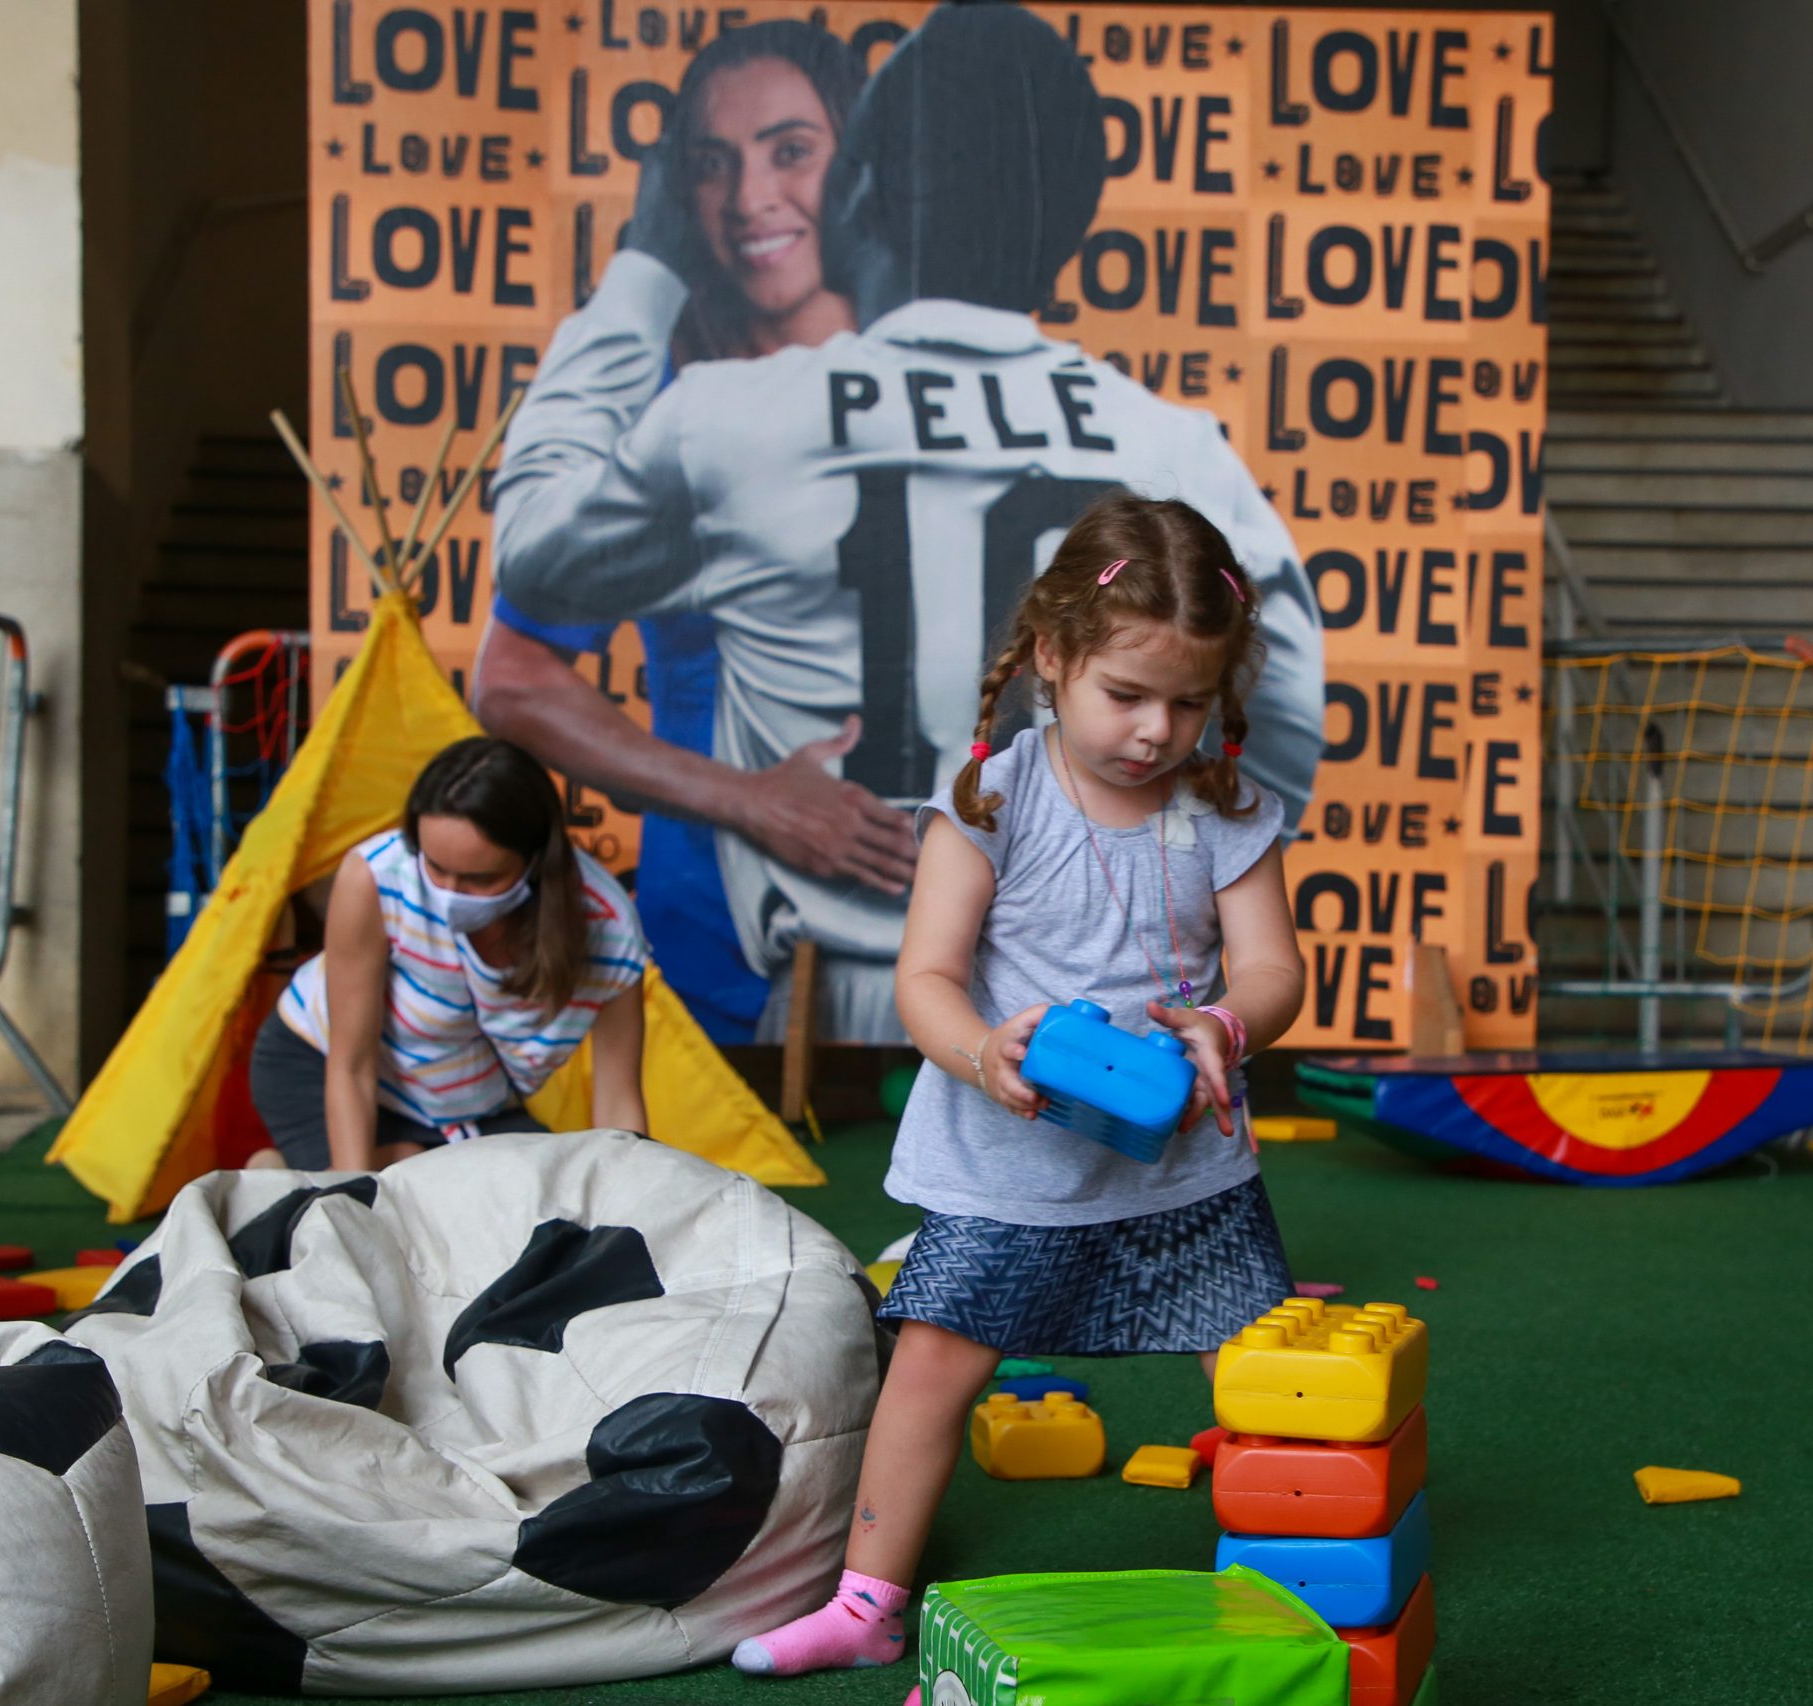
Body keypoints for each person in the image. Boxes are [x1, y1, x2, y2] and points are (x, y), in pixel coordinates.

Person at [492, 0, 1325, 1047]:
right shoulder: (1176, 446)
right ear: (1069, 219)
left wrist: (643, 269)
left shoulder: (730, 417)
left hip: (825, 996)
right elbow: (1286, 712)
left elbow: (529, 545)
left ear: (862, 194)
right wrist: (1132, 872)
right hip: (1081, 1002)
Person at [730, 491, 1307, 1678]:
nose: (1156, 731)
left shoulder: (1223, 806)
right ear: (1053, 656)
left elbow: (1271, 969)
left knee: (1258, 1374)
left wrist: (1226, 1022)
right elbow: (928, 977)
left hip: (1185, 1167)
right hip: (1010, 1160)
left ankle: (1301, 1580)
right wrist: (981, 1051)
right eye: (1125, 695)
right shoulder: (992, 796)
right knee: (933, 1363)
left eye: (1188, 702)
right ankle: (867, 1599)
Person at [471, 20, 913, 1046]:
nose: (750, 196)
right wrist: (754, 800)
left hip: (953, 951)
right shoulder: (671, 417)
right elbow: (510, 677)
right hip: (726, 947)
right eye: (713, 166)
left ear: (858, 171)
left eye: (790, 152)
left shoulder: (951, 394)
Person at [247, 737, 649, 1170]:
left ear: (536, 860)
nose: (449, 895)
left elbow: (618, 1101)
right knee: (394, 1191)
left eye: (480, 878)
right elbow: (351, 1067)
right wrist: (355, 1195)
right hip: (322, 1065)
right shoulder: (375, 876)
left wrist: (628, 1206)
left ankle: (338, 1174)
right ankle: (286, 1183)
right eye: (434, 866)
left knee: (540, 1188)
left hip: (464, 1104)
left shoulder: (610, 928)